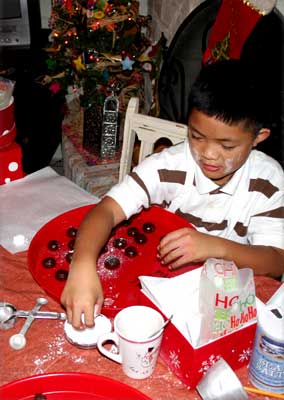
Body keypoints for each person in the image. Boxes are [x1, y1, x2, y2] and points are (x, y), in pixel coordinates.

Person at [61, 59, 284, 329]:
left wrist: (215, 247)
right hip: (165, 284)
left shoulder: (268, 181)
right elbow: (106, 211)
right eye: (196, 136)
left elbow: (275, 261)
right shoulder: (168, 167)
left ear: (258, 137)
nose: (209, 154)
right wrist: (83, 263)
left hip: (226, 298)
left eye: (227, 146)